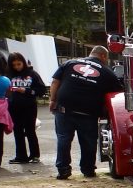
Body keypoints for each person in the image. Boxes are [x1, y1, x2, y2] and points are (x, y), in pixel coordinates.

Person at [50, 45, 121, 180]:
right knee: (88, 142)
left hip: (64, 109)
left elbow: (55, 81)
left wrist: (53, 100)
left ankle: (63, 170)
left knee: (63, 139)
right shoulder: (108, 72)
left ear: (91, 53)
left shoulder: (69, 63)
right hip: (88, 113)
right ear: (103, 56)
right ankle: (88, 170)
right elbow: (116, 94)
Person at [5, 53, 47, 164]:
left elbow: (41, 90)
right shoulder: (8, 75)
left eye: (19, 64)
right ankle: (21, 156)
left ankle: (35, 155)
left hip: (29, 106)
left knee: (30, 131)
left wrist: (26, 91)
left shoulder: (32, 74)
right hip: (13, 107)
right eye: (14, 65)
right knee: (17, 131)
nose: (17, 67)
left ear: (23, 62)